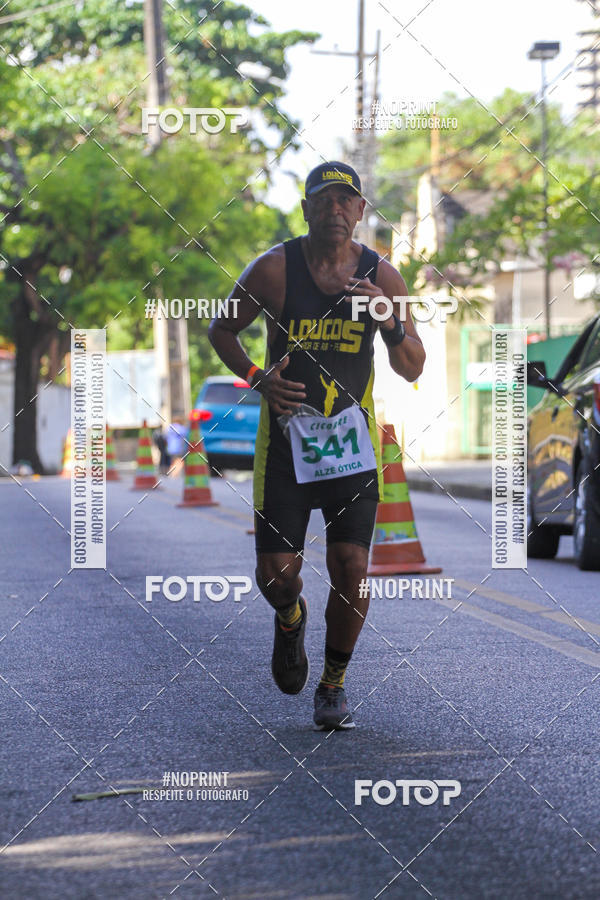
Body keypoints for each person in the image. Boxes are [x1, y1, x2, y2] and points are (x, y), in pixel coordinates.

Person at [208, 161, 425, 730]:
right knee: (277, 575)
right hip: (285, 445)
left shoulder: (385, 277)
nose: (334, 210)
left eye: (344, 201)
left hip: (352, 448)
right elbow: (221, 329)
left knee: (352, 566)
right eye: (322, 200)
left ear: (359, 212)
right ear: (305, 209)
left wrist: (390, 320)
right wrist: (258, 377)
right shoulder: (274, 269)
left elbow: (412, 366)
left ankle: (333, 684)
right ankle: (290, 618)